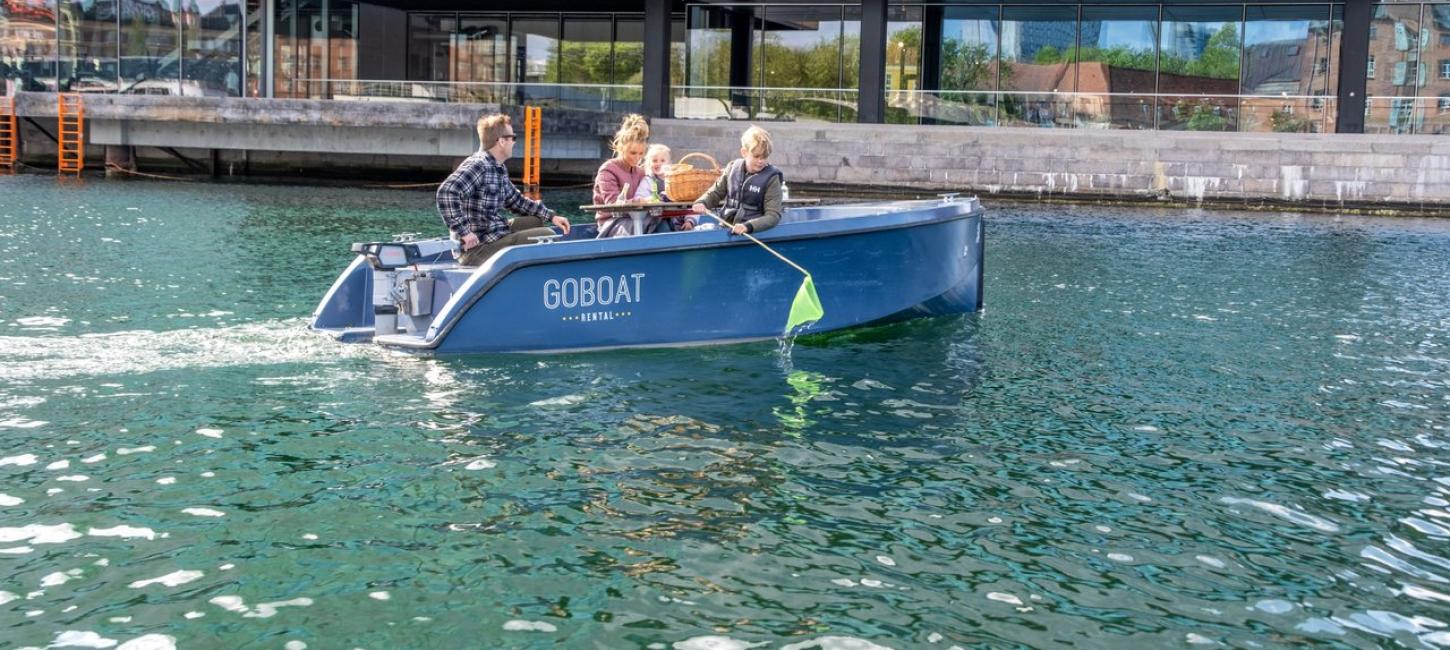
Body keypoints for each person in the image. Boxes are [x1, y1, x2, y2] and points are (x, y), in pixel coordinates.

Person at [437, 113, 571, 266]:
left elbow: (517, 201)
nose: (514, 142)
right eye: (513, 137)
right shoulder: (479, 165)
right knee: (548, 235)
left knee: (536, 221)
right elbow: (446, 193)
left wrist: (552, 216)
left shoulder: (497, 167)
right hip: (477, 249)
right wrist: (464, 232)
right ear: (501, 141)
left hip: (492, 233)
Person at [691, 125, 784, 236]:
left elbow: (773, 216)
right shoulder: (732, 168)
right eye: (756, 156)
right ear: (744, 152)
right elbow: (715, 193)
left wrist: (747, 226)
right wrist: (702, 202)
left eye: (764, 157)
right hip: (726, 226)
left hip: (751, 232)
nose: (760, 161)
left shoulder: (772, 178)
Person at [592, 114, 650, 238]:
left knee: (664, 223)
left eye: (641, 153)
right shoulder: (608, 170)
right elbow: (612, 203)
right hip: (611, 223)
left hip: (637, 219)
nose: (637, 158)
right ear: (621, 147)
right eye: (633, 153)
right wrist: (637, 202)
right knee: (645, 225)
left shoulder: (640, 172)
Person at [633, 144, 694, 232]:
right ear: (649, 163)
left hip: (678, 219)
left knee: (689, 231)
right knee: (664, 229)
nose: (658, 163)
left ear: (669, 164)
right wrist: (650, 199)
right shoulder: (648, 180)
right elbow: (639, 197)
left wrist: (690, 221)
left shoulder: (676, 181)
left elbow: (689, 202)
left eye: (662, 160)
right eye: (654, 160)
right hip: (657, 219)